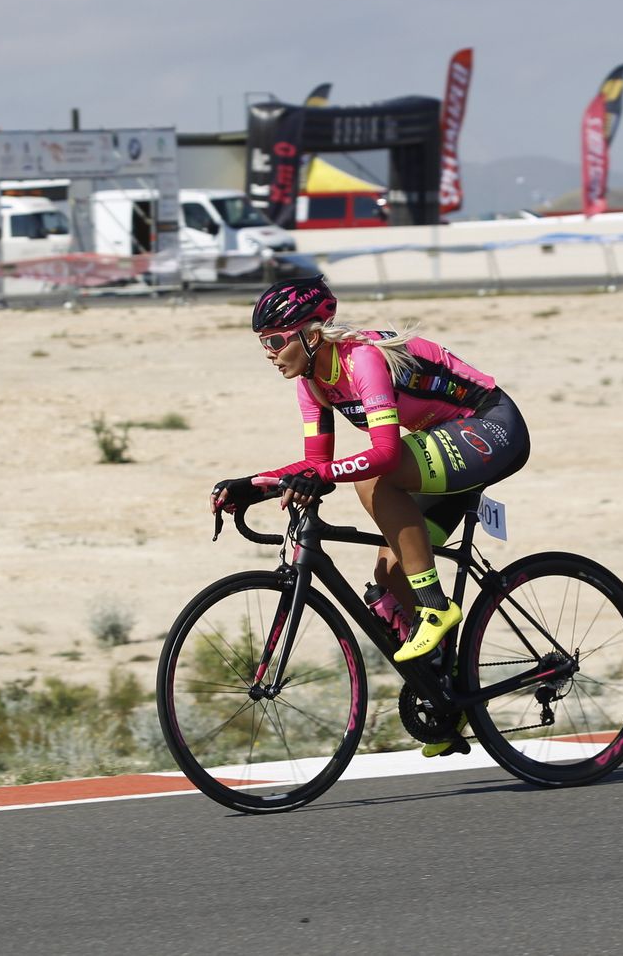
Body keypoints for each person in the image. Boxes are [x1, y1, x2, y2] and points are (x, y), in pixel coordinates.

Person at [210, 276, 531, 752]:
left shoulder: (362, 360)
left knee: (372, 480)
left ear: (311, 335)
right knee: (386, 576)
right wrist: (257, 484)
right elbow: (317, 465)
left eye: (276, 341)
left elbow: (381, 455)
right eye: (263, 345)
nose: (270, 354)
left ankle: (439, 608)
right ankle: (449, 694)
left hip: (489, 427)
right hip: (434, 446)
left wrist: (323, 477)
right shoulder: (312, 383)